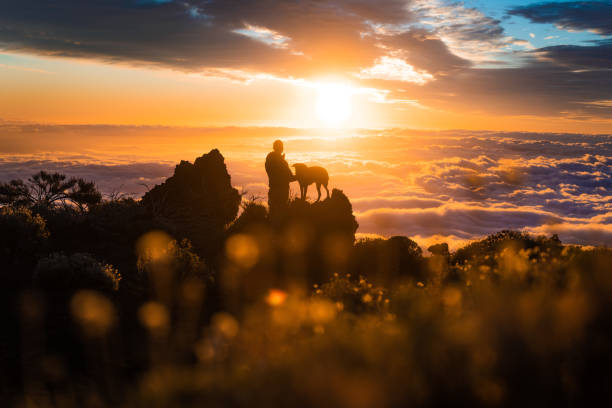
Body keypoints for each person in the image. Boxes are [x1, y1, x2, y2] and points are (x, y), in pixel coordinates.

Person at [265, 140, 294, 220]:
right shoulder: (281, 161)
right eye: (282, 147)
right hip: (282, 191)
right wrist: (301, 176)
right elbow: (290, 177)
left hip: (273, 190)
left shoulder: (269, 159)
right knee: (280, 215)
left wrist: (281, 159)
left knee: (272, 213)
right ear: (281, 148)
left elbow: (273, 172)